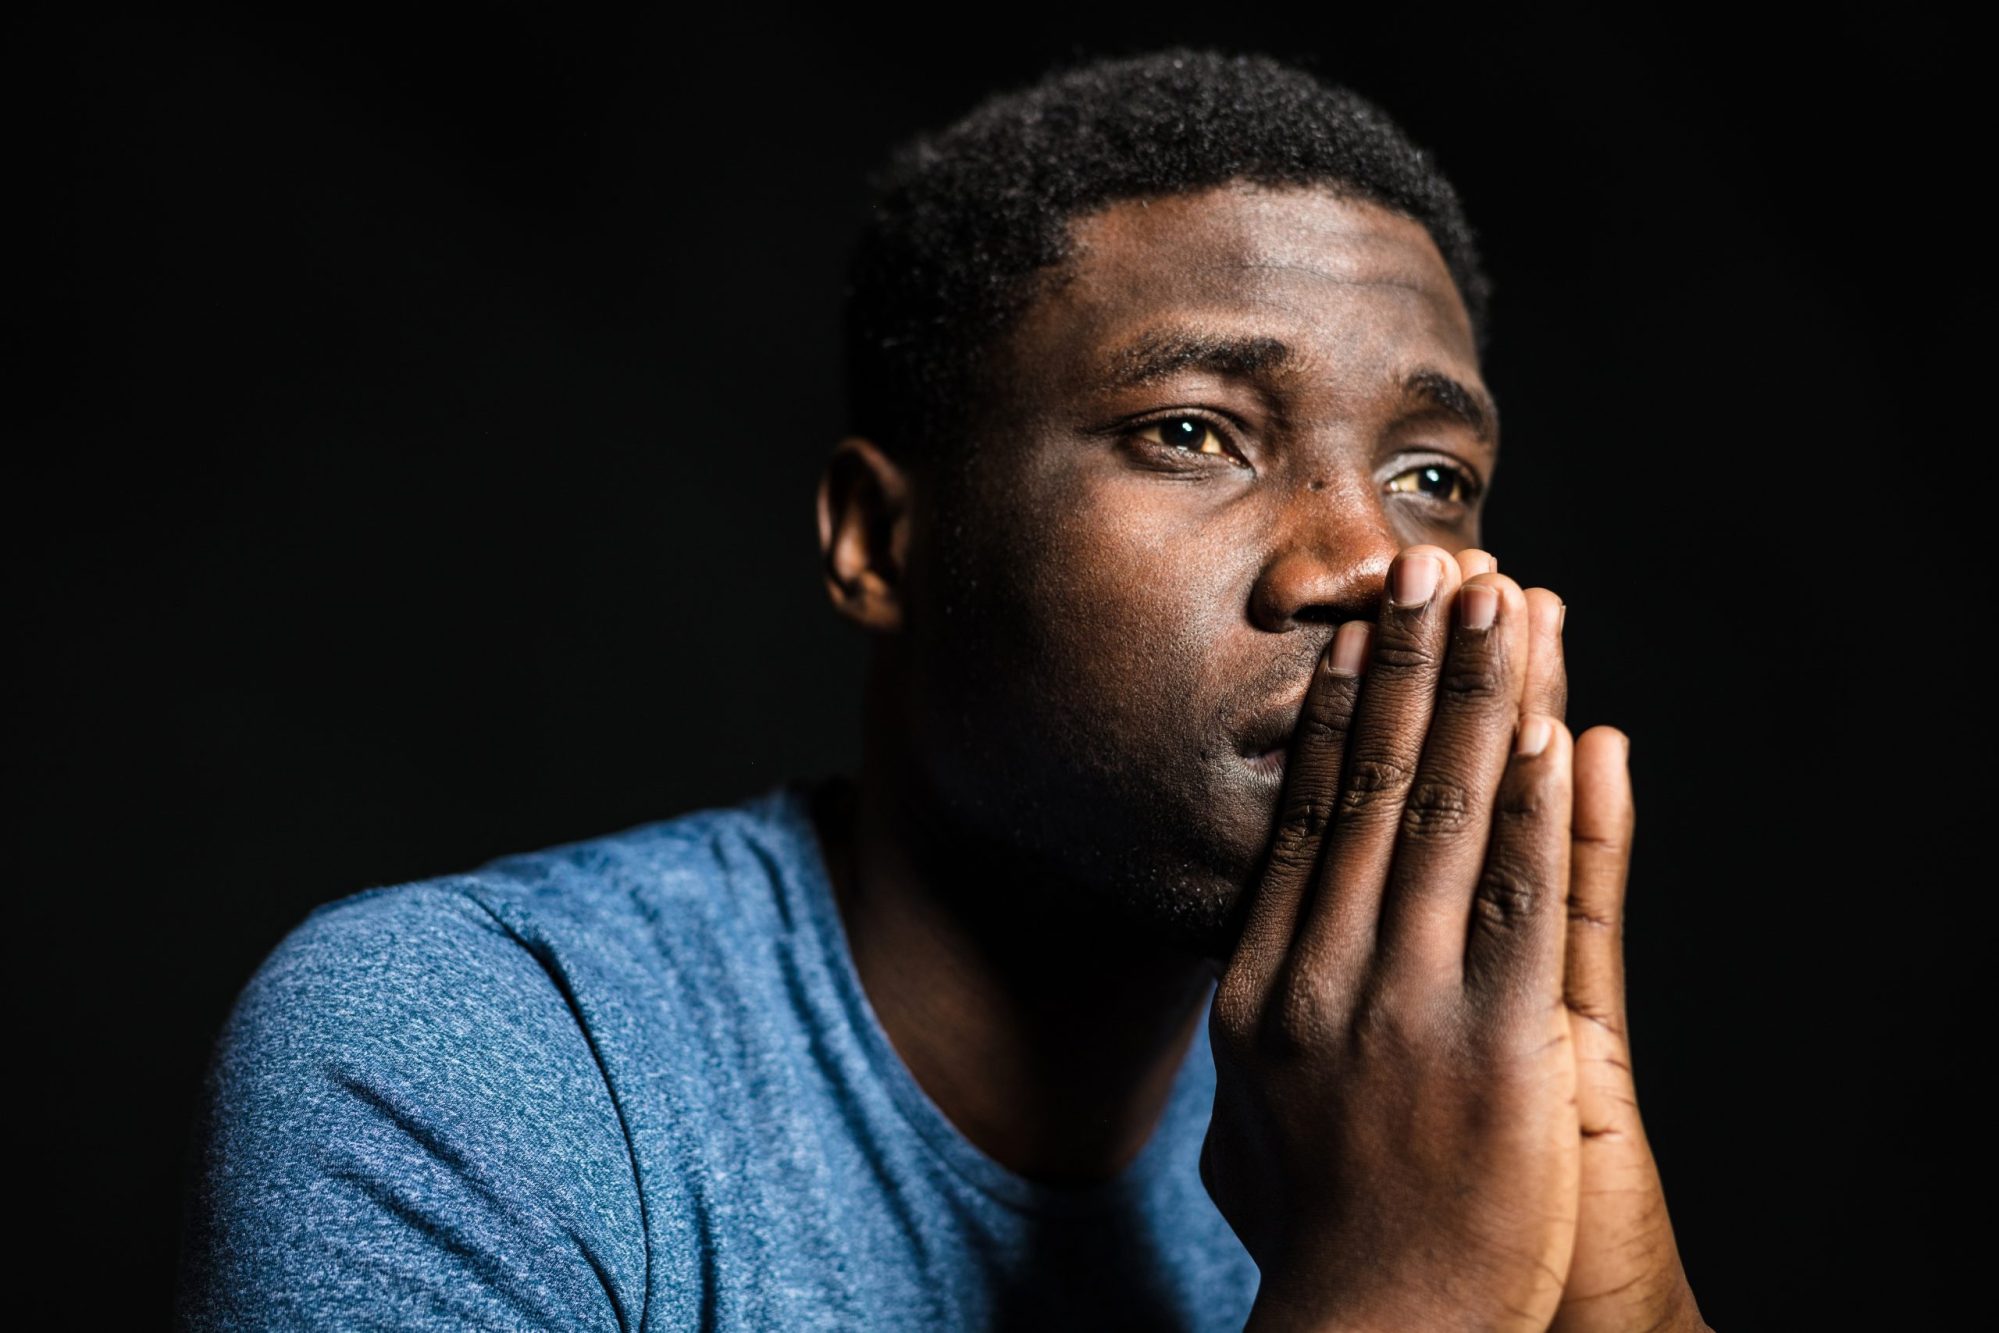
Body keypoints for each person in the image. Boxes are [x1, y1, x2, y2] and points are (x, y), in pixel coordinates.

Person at [175, 46, 1707, 1331]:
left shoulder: (1437, 1111)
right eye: (1193, 433)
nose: (1369, 562)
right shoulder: (469, 1050)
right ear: (879, 540)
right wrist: (1400, 1289)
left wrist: (1619, 1298)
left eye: (1433, 475)